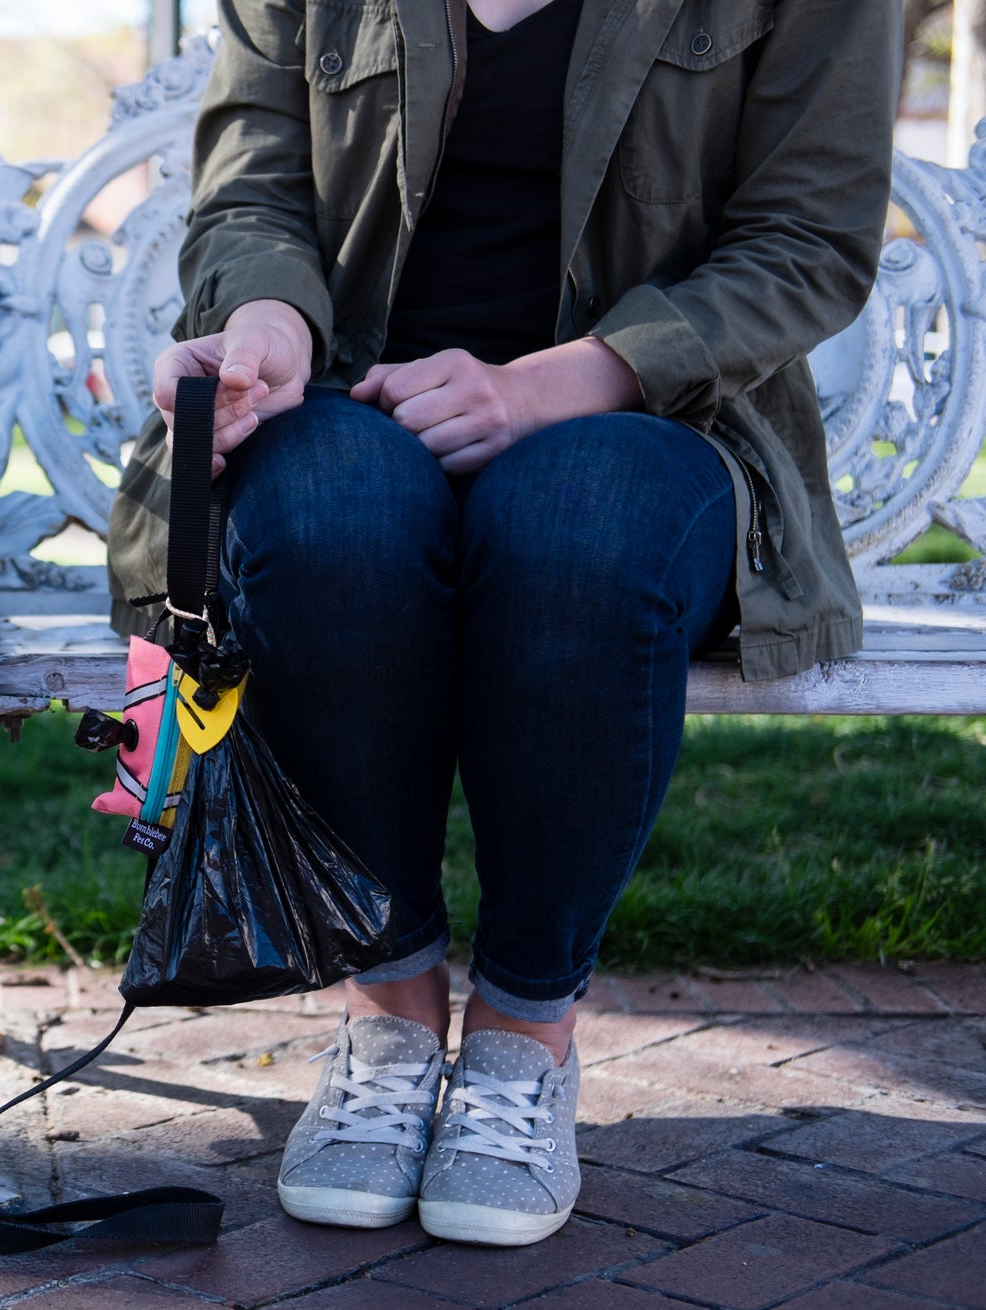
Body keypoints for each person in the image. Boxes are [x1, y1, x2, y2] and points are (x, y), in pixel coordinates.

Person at [107, 0, 901, 1246]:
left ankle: (523, 1042)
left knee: (576, 523)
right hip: (352, 403)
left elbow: (808, 240)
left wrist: (556, 383)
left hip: (656, 427)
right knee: (325, 511)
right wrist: (267, 324)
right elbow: (252, 188)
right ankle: (388, 1016)